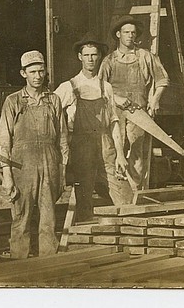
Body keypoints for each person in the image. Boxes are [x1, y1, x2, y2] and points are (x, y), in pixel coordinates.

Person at [0, 50, 69, 259]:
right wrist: (7, 175)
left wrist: (62, 170)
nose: (38, 76)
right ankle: (19, 262)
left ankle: (48, 262)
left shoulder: (53, 100)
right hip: (22, 165)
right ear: (23, 73)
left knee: (49, 216)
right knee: (21, 215)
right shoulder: (13, 102)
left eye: (41, 71)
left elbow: (62, 137)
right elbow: (4, 140)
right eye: (33, 72)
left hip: (50, 163)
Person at [55, 34, 132, 220]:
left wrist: (120, 155)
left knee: (124, 194)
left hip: (106, 146)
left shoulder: (106, 87)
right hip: (82, 148)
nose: (90, 59)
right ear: (79, 57)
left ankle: (128, 230)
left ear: (99, 57)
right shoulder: (69, 87)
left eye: (94, 55)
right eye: (87, 55)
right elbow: (52, 114)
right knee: (85, 197)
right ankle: (86, 236)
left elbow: (114, 123)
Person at [98, 15, 169, 192]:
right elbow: (99, 88)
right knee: (113, 150)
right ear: (118, 34)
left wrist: (155, 100)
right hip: (115, 112)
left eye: (133, 32)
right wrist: (116, 99)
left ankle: (136, 192)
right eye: (126, 32)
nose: (130, 35)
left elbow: (162, 80)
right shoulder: (109, 60)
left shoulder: (145, 56)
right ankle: (118, 192)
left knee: (137, 154)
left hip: (139, 112)